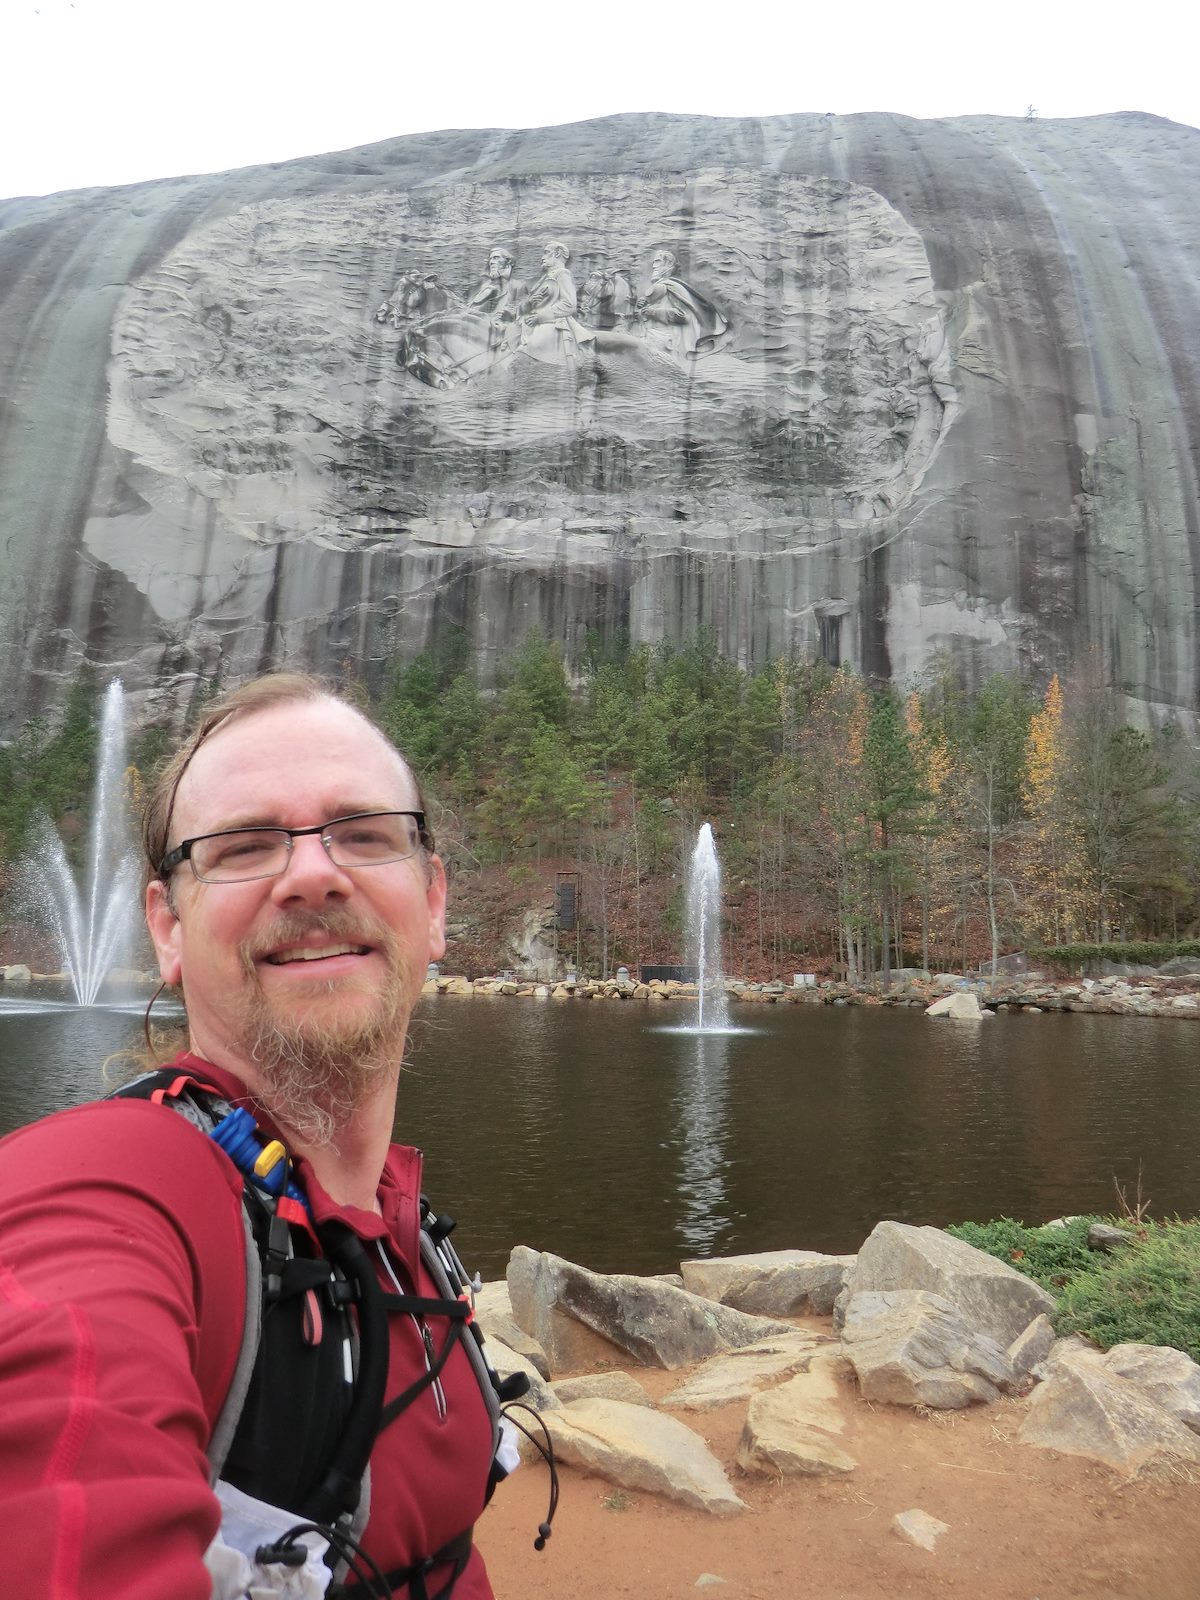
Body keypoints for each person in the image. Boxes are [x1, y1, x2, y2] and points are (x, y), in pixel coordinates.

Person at [0, 673, 510, 1600]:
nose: (314, 872)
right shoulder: (108, 1184)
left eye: (363, 833)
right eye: (242, 846)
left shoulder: (404, 1234)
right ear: (166, 925)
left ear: (433, 903)